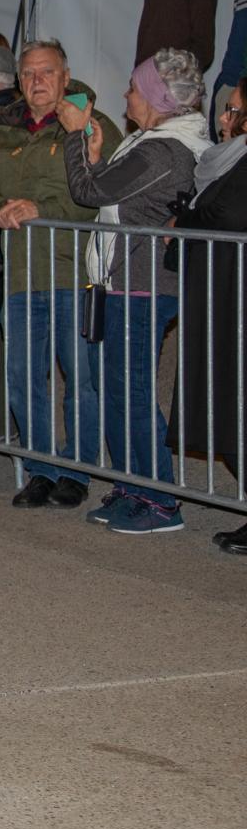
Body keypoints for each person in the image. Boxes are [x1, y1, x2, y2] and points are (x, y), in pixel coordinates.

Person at [0, 39, 121, 510]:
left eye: (46, 72)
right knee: (23, 377)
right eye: (29, 73)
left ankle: (78, 470)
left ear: (65, 74)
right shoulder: (1, 129)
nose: (37, 81)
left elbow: (102, 188)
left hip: (74, 271)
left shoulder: (91, 123)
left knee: (82, 378)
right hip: (20, 274)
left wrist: (42, 209)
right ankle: (40, 469)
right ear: (18, 80)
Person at [61, 50, 210, 534]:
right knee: (117, 387)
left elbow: (88, 193)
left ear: (153, 97)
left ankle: (160, 499)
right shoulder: (153, 142)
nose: (125, 96)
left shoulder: (162, 149)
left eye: (132, 88)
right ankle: (133, 485)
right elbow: (107, 185)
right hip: (124, 279)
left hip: (140, 284)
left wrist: (72, 136)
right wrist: (97, 153)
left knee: (133, 390)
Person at [173, 78, 247, 553]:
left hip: (237, 298)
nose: (223, 119)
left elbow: (230, 215)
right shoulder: (231, 160)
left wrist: (186, 219)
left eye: (233, 110)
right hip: (223, 293)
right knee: (228, 404)